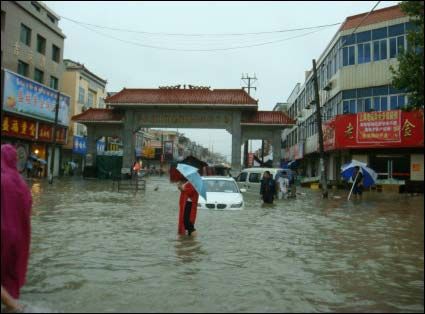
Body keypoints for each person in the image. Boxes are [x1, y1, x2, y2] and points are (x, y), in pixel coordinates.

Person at [1, 144, 32, 312]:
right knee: (8, 278)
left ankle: (14, 306)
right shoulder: (22, 184)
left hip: (2, 234)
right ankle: (11, 305)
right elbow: (28, 208)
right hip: (18, 237)